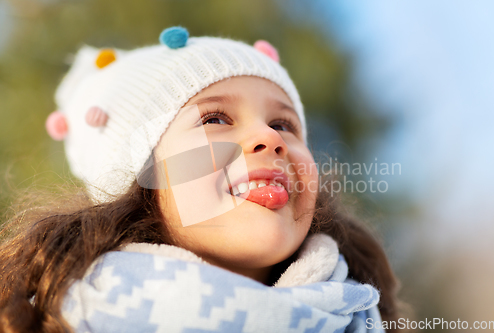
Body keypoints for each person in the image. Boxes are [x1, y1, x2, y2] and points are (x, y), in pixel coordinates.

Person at [0, 27, 400, 332]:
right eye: (215, 119)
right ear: (138, 180)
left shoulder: (360, 318)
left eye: (284, 124)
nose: (271, 138)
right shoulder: (61, 320)